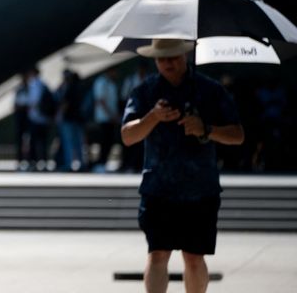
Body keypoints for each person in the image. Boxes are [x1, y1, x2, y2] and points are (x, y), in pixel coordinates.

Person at [121, 39, 244, 293]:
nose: (168, 63)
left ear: (185, 54)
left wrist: (206, 129)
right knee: (157, 255)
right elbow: (128, 136)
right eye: (162, 58)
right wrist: (152, 117)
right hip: (158, 188)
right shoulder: (145, 91)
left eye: (174, 57)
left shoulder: (210, 90)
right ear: (154, 59)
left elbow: (238, 135)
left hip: (200, 189)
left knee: (194, 257)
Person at [91, 67, 120, 173]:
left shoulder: (111, 83)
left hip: (111, 118)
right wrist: (111, 115)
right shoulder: (101, 82)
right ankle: (100, 163)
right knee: (104, 141)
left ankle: (103, 162)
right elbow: (101, 100)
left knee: (109, 141)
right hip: (104, 118)